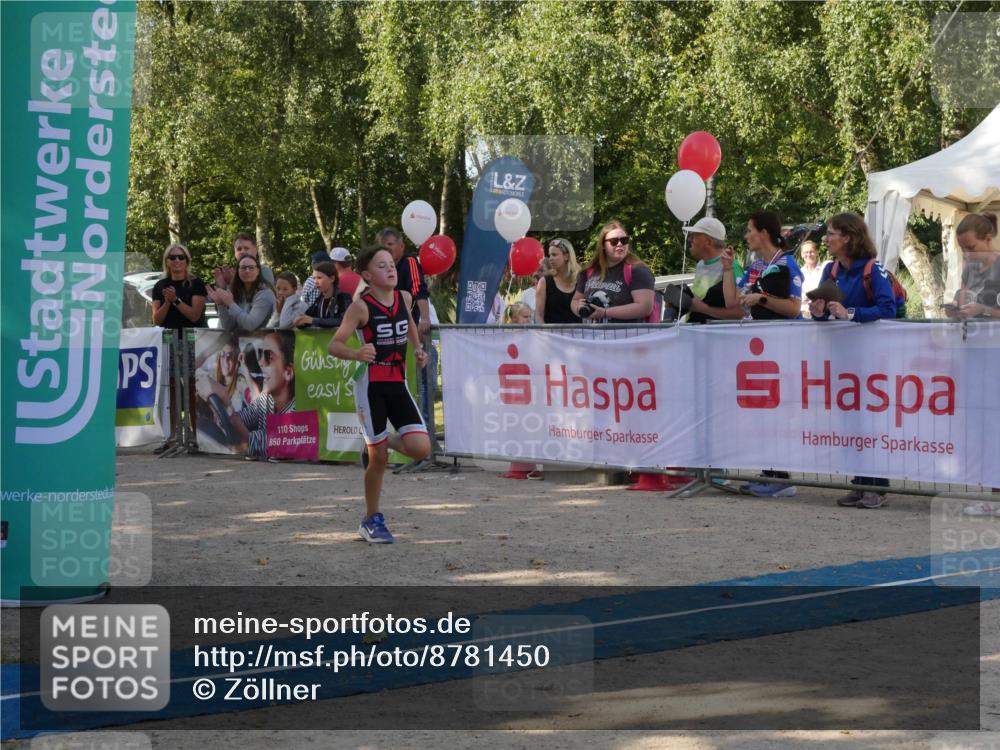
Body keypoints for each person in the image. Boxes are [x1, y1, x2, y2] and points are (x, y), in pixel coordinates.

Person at [329, 246, 431, 544]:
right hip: (370, 386)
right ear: (366, 275)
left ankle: (378, 443)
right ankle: (371, 519)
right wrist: (356, 352)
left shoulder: (405, 297)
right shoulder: (360, 307)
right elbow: (334, 346)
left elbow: (410, 322)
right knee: (379, 459)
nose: (390, 269)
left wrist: (418, 348)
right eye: (381, 265)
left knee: (421, 448)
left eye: (391, 264)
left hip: (397, 383)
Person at [809, 212, 897, 509]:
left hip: (873, 360)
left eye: (832, 233)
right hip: (844, 359)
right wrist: (819, 310)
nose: (827, 239)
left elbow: (889, 310)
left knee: (870, 421)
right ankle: (860, 483)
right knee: (850, 420)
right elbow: (822, 317)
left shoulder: (874, 269)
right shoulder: (830, 270)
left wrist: (852, 314)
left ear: (847, 237)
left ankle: (877, 487)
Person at [723, 211, 803, 498]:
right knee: (763, 411)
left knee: (778, 412)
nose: (746, 235)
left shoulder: (786, 263)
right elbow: (733, 301)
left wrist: (764, 298)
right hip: (760, 349)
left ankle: (782, 476)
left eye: (749, 230)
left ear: (764, 233)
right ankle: (770, 471)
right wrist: (725, 269)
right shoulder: (756, 265)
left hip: (783, 347)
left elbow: (794, 308)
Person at [229, 331, 296, 459]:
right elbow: (242, 418)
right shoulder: (266, 400)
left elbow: (259, 442)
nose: (260, 362)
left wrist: (225, 404)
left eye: (268, 357)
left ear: (288, 372)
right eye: (260, 355)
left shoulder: (297, 409)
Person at [571, 221, 656, 323]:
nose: (620, 244)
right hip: (592, 337)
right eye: (614, 241)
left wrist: (605, 312)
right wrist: (578, 308)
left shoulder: (638, 271)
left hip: (626, 337)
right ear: (602, 245)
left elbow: (645, 307)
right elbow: (575, 301)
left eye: (624, 240)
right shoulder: (588, 271)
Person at [681, 217, 744, 324]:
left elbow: (740, 313)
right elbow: (697, 302)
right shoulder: (701, 264)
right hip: (695, 333)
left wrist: (703, 309)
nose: (689, 239)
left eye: (694, 236)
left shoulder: (732, 265)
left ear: (708, 242)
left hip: (717, 338)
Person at [375, 227, 431, 339]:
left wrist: (425, 319)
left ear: (401, 246)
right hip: (388, 329)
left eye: (390, 244)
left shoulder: (409, 262)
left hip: (410, 329)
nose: (386, 248)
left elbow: (418, 288)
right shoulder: (378, 267)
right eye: (383, 245)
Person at [945, 213, 1000, 321]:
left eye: (971, 248)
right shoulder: (970, 268)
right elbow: (963, 301)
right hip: (973, 335)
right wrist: (955, 310)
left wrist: (984, 310)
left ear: (988, 239)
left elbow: (980, 309)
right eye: (962, 249)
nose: (966, 254)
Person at [210, 255, 276, 333]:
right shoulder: (237, 292)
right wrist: (220, 305)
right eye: (243, 267)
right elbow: (228, 327)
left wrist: (231, 303)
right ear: (238, 271)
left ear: (258, 271)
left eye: (251, 267)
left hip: (265, 343)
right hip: (243, 343)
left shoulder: (265, 293)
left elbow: (250, 325)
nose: (247, 270)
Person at [151, 243, 208, 329]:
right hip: (169, 339)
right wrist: (167, 303)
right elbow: (156, 321)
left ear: (187, 261)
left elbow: (194, 316)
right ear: (167, 262)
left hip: (193, 339)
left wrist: (175, 300)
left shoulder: (197, 283)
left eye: (181, 257)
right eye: (172, 258)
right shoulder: (159, 286)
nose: (177, 260)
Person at [536, 238, 580, 324]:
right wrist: (545, 334)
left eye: (554, 255)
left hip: (577, 335)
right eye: (550, 255)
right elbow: (538, 316)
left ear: (566, 256)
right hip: (552, 335)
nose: (550, 258)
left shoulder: (580, 280)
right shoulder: (544, 282)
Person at [295, 261, 353, 328]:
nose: (315, 282)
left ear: (332, 278)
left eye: (319, 278)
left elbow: (343, 321)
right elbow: (308, 318)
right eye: (314, 278)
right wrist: (301, 323)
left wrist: (313, 320)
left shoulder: (343, 298)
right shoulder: (319, 300)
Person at [798, 240, 827, 317]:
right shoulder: (799, 273)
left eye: (811, 251)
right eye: (805, 252)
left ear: (817, 252)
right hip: (803, 315)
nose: (808, 254)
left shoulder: (824, 270)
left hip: (821, 314)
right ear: (801, 254)